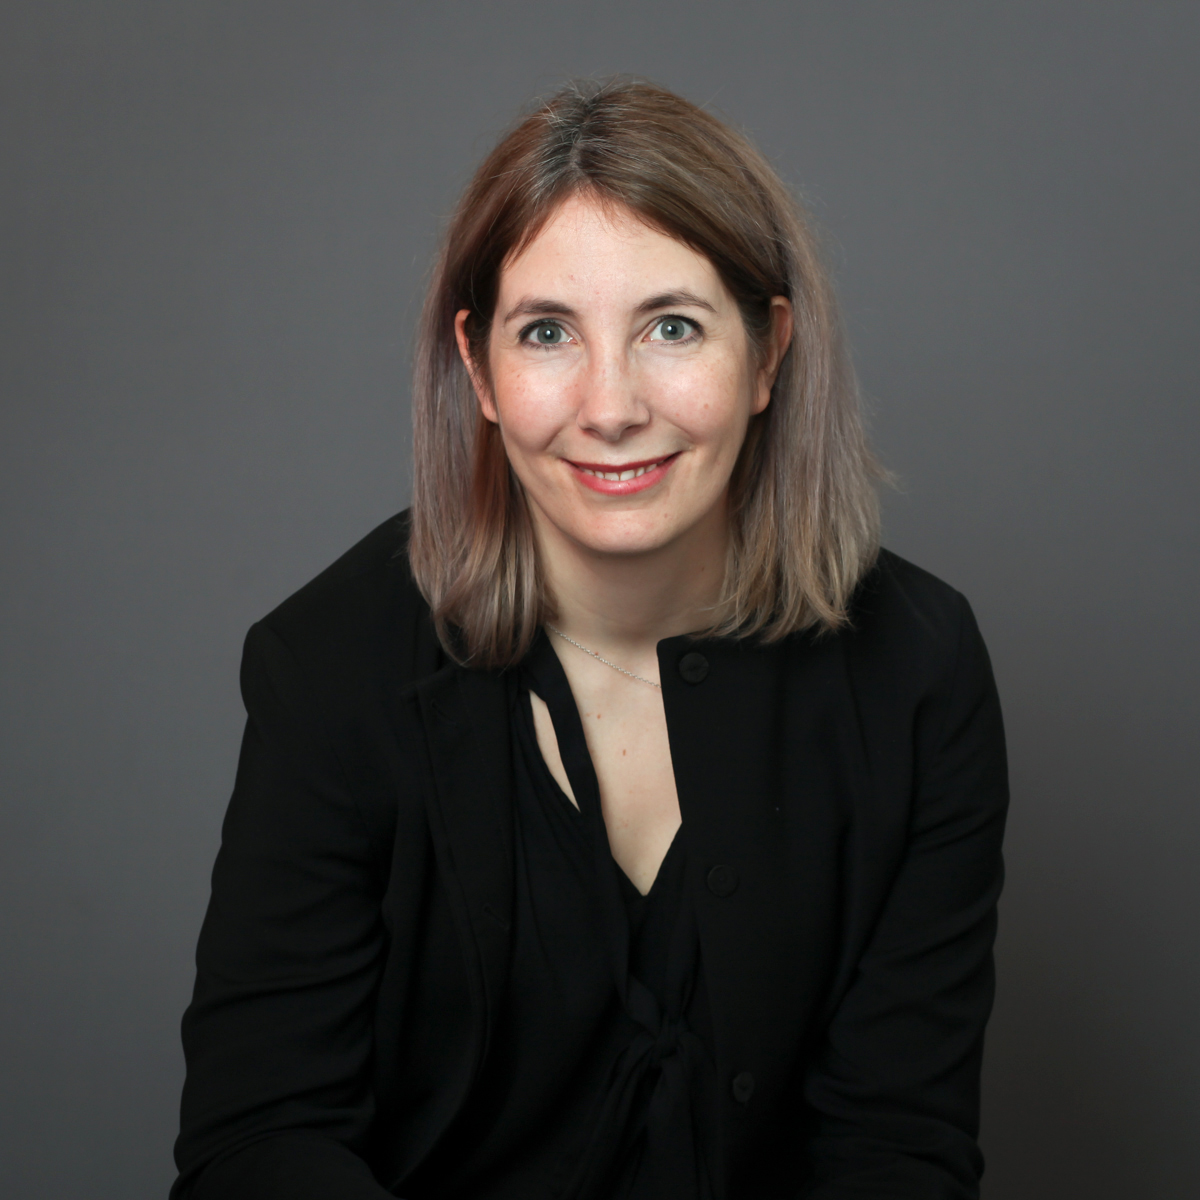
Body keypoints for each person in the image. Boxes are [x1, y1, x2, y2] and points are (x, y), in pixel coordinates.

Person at [171, 80, 1008, 1200]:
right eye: (548, 332)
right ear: (477, 368)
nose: (610, 406)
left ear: (768, 356)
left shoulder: (918, 670)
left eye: (672, 326)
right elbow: (259, 1141)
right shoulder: (329, 668)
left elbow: (896, 1148)